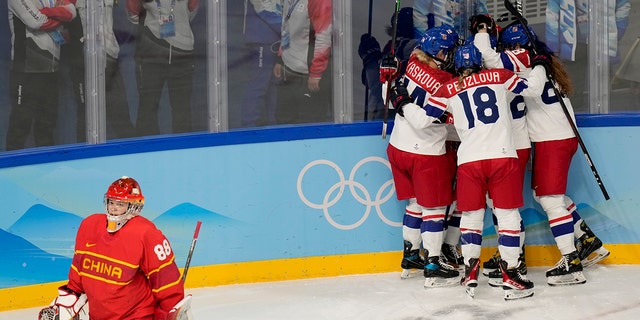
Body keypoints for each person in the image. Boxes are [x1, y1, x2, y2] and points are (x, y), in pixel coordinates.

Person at [471, 17, 610, 286]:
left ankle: (571, 262)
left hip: (552, 139)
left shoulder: (522, 57)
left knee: (549, 199)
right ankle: (587, 241)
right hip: (557, 137)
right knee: (546, 195)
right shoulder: (536, 59)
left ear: (516, 45)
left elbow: (489, 59)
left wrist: (481, 31)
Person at [412, 43, 549, 300]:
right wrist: (540, 64)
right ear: (480, 63)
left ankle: (470, 270)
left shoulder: (448, 88)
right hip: (502, 156)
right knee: (508, 217)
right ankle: (511, 273)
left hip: (469, 161)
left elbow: (422, 120)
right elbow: (533, 89)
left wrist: (401, 99)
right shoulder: (500, 75)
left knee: (471, 218)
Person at [38, 176, 188, 320]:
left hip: (136, 315)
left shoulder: (146, 233)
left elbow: (166, 281)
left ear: (134, 206)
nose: (114, 208)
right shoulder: (89, 226)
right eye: (111, 202)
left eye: (120, 204)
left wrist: (171, 311)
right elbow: (79, 273)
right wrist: (65, 302)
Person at [383, 25, 462, 288]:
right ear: (438, 51)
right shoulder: (443, 82)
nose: (450, 55)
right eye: (448, 51)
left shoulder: (410, 62)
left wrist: (392, 87)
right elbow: (422, 119)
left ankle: (411, 257)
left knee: (415, 205)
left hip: (398, 148)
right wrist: (406, 103)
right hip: (425, 153)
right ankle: (433, 264)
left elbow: (390, 91)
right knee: (435, 209)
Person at [5, 0, 77, 150]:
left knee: (47, 126)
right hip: (26, 71)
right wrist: (58, 17)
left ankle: (46, 169)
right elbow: (36, 22)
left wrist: (47, 13)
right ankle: (11, 170)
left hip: (51, 71)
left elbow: (71, 12)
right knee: (20, 125)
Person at [125, 0, 199, 137]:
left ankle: (182, 152)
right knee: (147, 109)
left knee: (182, 111)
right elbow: (133, 14)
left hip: (182, 53)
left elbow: (192, 10)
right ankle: (147, 152)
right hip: (151, 53)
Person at [545, 0, 631, 111]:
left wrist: (616, 32)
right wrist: (553, 46)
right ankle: (573, 119)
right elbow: (552, 13)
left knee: (603, 91)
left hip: (601, 43)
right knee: (572, 90)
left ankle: (604, 120)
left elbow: (623, 5)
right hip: (574, 46)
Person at [73, 0, 136, 141]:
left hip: (110, 57)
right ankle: (84, 159)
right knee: (85, 116)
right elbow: (64, 16)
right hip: (85, 60)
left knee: (121, 115)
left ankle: (131, 156)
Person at [273, 0, 332, 125]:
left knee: (308, 125)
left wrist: (316, 73)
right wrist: (280, 57)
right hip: (288, 71)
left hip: (307, 76)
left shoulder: (318, 1)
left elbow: (324, 37)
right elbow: (286, 26)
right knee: (283, 121)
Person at [358, 7, 417, 121]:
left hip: (389, 108)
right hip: (387, 109)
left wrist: (371, 60)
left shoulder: (398, 45)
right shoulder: (403, 45)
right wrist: (370, 61)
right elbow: (377, 85)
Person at [240, 0, 282, 127]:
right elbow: (263, 7)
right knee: (258, 84)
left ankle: (271, 124)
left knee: (272, 84)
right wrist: (287, 29)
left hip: (271, 38)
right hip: (262, 37)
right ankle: (249, 125)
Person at [413, 0, 488, 40]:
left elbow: (483, 16)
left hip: (469, 41)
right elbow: (419, 14)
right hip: (440, 44)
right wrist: (424, 42)